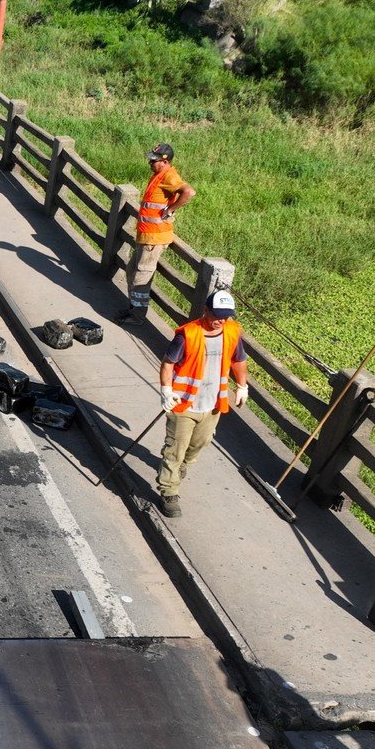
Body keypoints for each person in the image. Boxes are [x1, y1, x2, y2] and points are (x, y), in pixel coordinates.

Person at [156, 289, 248, 519]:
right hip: (184, 404)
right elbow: (168, 363)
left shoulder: (232, 331)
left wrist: (242, 386)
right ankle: (169, 491)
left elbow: (239, 361)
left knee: (200, 443)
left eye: (225, 316)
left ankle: (181, 465)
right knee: (175, 450)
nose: (220, 320)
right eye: (216, 314)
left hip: (212, 404)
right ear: (205, 310)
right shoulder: (188, 335)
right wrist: (166, 390)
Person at [116, 141, 195, 324]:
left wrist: (170, 210)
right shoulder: (159, 175)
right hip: (147, 235)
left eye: (153, 161)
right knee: (132, 272)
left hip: (154, 238)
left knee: (141, 277)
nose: (150, 164)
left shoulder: (169, 176)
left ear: (165, 161)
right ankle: (133, 308)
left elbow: (189, 192)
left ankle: (137, 316)